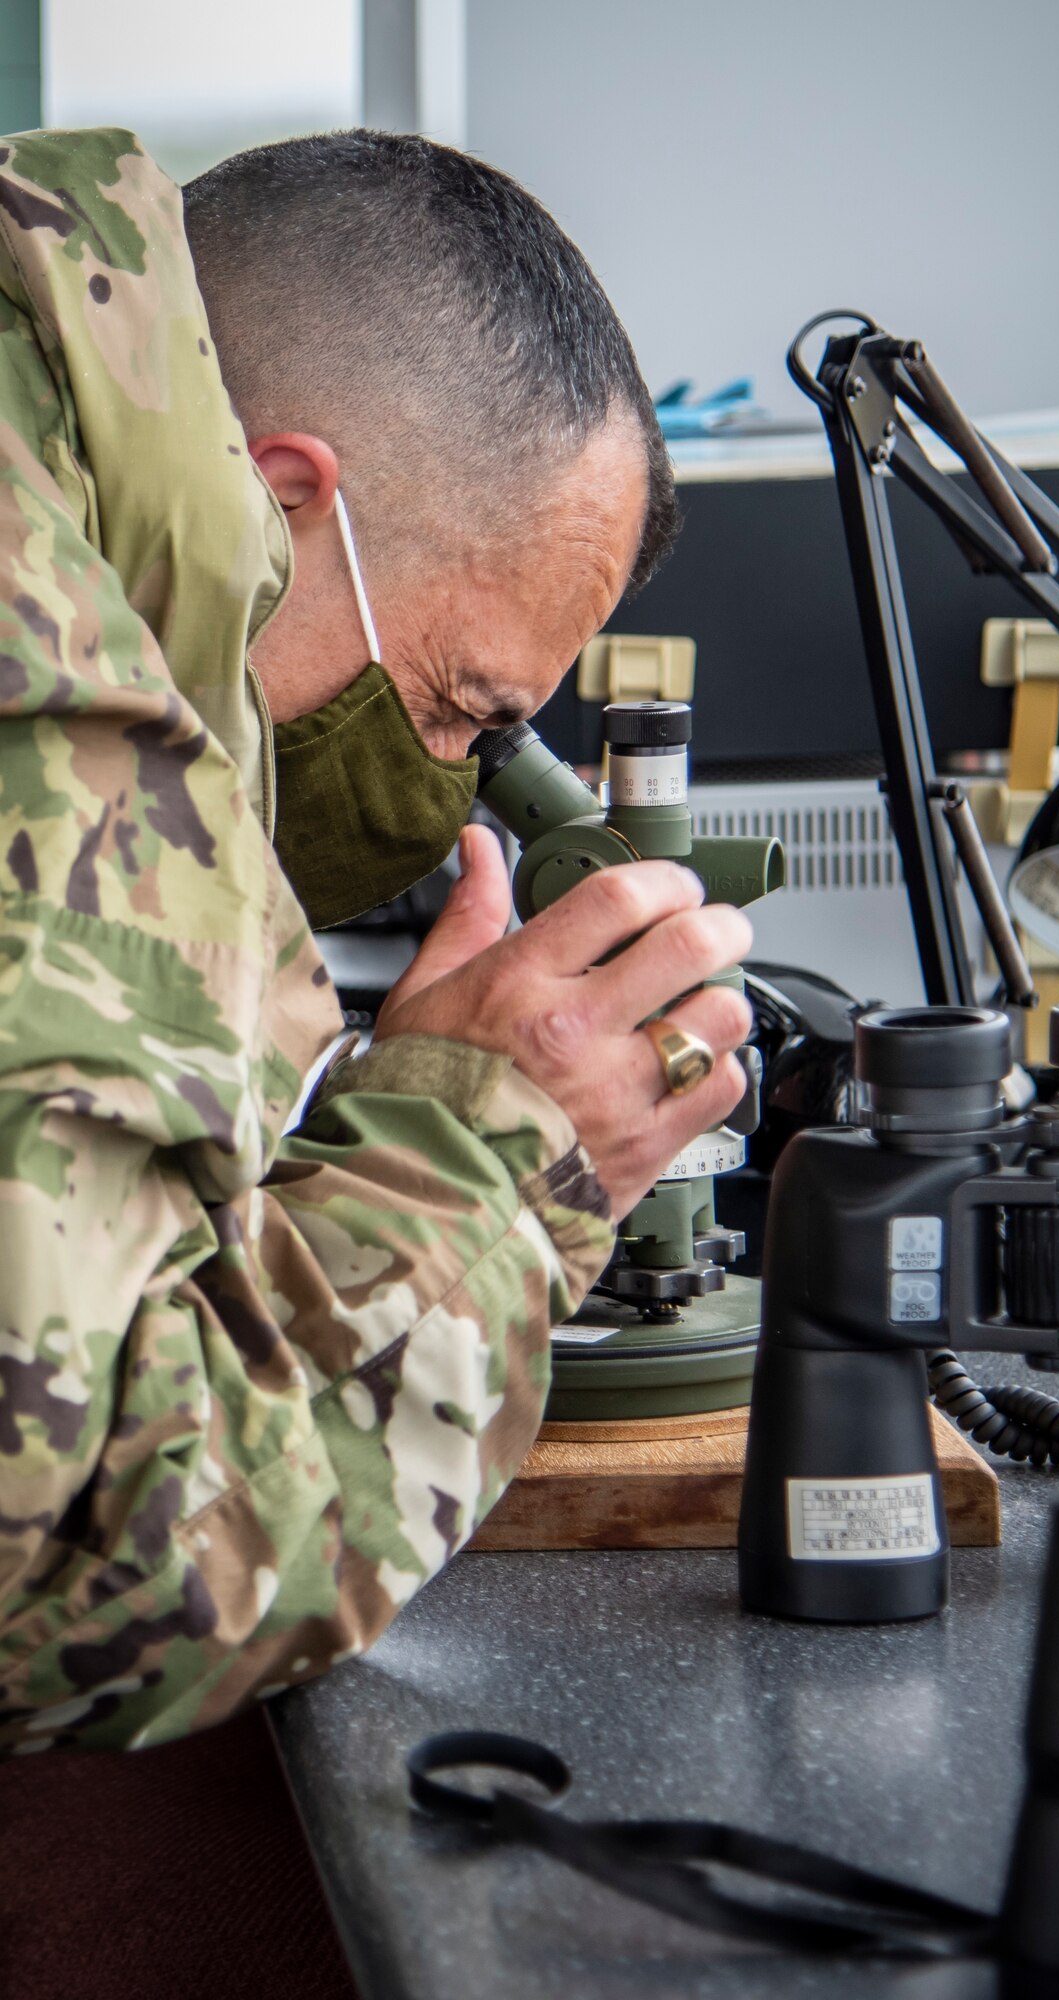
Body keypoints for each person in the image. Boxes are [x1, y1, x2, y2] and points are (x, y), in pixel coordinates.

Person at [0, 126, 752, 1753]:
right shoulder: (47, 690)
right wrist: (493, 1153)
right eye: (457, 706)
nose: (441, 783)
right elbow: (66, 1586)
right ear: (285, 499)